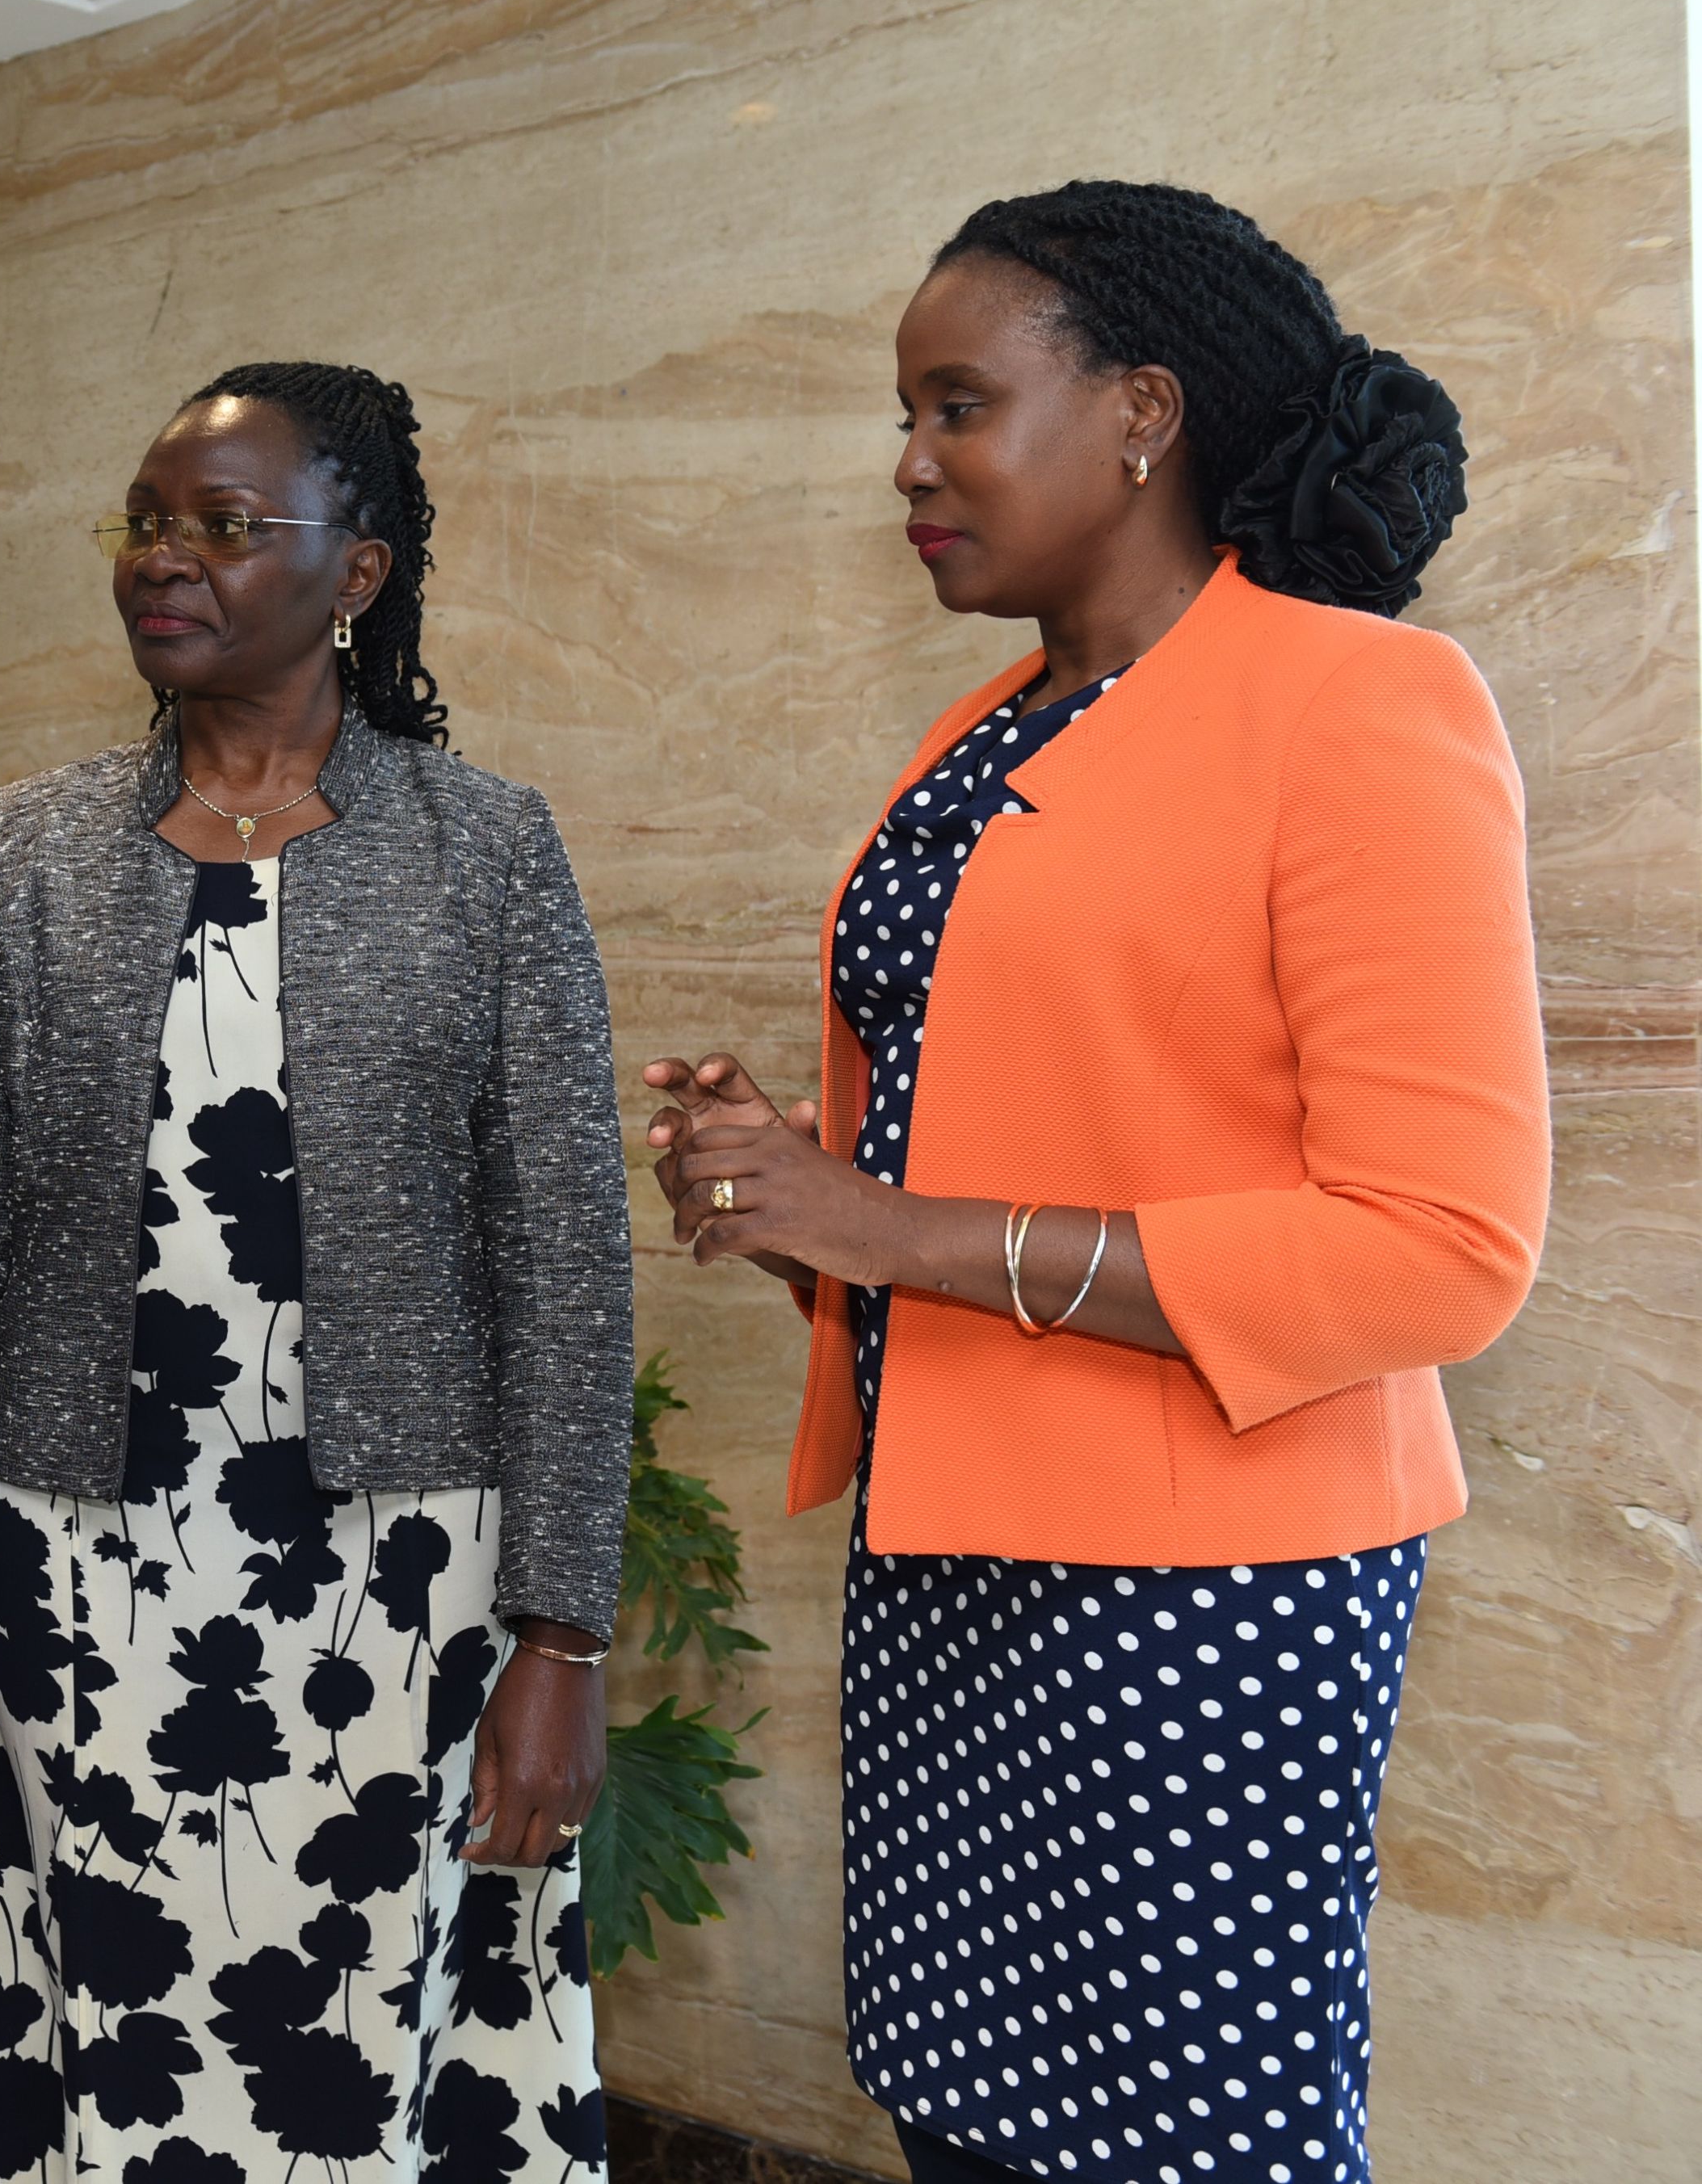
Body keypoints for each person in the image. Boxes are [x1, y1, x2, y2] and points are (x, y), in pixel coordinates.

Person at [641, 182, 1549, 2184]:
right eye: (904, 413)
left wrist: (884, 1223)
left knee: (1173, 2142)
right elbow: (1025, 1146)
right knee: (961, 2112)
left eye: (957, 405)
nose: (910, 462)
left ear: (1144, 411)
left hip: (1201, 1602)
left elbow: (1443, 1246)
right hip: (947, 1560)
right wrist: (799, 1199)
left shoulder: (1360, 700)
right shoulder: (980, 736)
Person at [0, 363, 636, 2182]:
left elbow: (568, 1272)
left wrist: (561, 1636)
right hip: (72, 1582)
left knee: (369, 2042)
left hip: (399, 1587)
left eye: (223, 525)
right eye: (146, 521)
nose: (164, 557)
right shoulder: (28, 850)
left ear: (356, 572)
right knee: (92, 2020)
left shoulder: (487, 851)